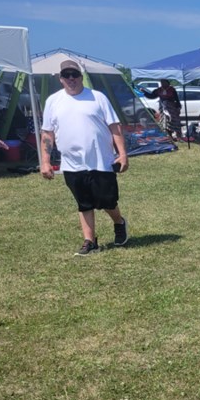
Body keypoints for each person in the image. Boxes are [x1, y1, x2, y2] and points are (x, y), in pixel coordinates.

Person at [39, 59, 129, 256]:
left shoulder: (97, 97)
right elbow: (47, 134)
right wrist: (45, 161)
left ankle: (119, 223)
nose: (71, 79)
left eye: (74, 75)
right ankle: (90, 241)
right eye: (66, 75)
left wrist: (122, 154)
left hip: (101, 160)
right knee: (84, 202)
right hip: (72, 163)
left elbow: (115, 127)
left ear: (81, 77)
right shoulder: (53, 101)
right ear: (60, 79)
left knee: (107, 200)